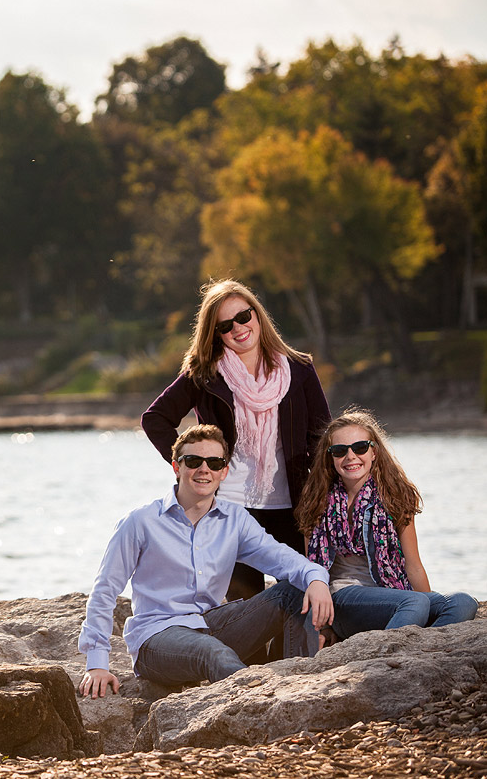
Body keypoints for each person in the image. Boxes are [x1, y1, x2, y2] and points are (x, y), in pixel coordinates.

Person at [77, 424, 332, 697]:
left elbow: (282, 558)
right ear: (177, 467)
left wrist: (316, 578)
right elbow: (105, 590)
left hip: (209, 625)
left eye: (214, 462)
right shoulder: (140, 522)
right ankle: (262, 703)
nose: (204, 469)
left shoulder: (234, 520)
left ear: (224, 471)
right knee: (212, 652)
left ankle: (299, 685)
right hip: (156, 640)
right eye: (193, 461)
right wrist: (96, 664)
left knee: (295, 590)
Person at [142, 279, 330, 602]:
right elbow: (155, 419)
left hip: (292, 505)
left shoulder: (299, 370)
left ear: (257, 315)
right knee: (245, 604)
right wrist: (193, 467)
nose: (238, 328)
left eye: (244, 316)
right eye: (225, 325)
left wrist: (325, 494)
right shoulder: (204, 374)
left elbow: (323, 438)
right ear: (216, 334)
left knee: (301, 593)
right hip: (230, 506)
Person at [296, 409, 478, 643]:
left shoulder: (396, 497)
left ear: (374, 452)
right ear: (330, 459)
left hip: (393, 596)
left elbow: (413, 566)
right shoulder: (317, 502)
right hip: (342, 599)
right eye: (340, 451)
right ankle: (385, 652)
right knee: (414, 602)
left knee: (462, 602)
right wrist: (321, 627)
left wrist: (428, 609)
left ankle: (417, 647)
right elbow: (312, 571)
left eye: (360, 447)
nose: (351, 456)